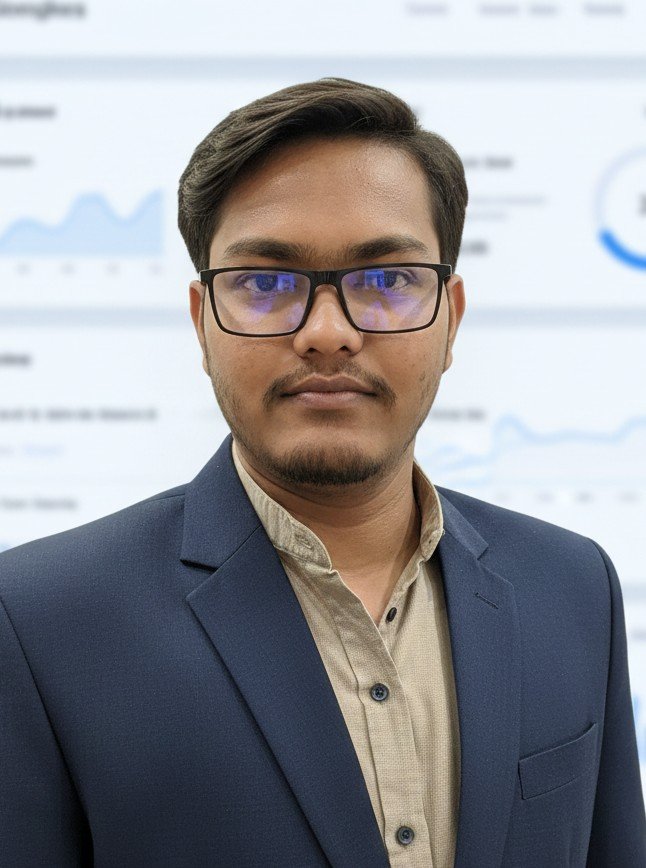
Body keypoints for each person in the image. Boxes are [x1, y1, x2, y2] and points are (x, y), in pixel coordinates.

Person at [0, 78, 643, 868]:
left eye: (387, 280)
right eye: (266, 284)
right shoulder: (37, 623)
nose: (328, 333)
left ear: (451, 319)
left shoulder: (572, 586)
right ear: (202, 325)